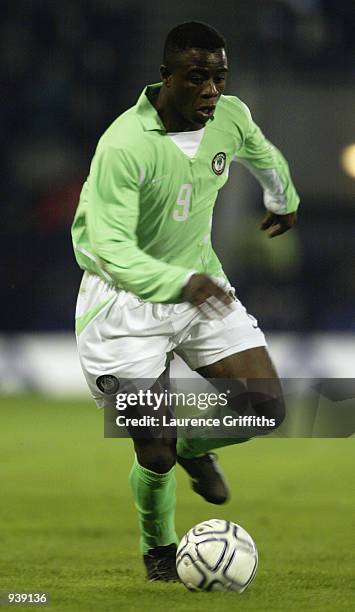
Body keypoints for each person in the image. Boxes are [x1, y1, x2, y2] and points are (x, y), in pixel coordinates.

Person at [71, 21, 299, 582]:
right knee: (153, 450)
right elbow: (111, 248)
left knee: (265, 406)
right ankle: (158, 553)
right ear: (166, 77)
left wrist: (282, 196)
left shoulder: (229, 116)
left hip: (200, 284)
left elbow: (262, 152)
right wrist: (176, 284)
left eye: (220, 77)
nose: (211, 91)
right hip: (122, 305)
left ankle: (193, 444)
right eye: (198, 78)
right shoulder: (124, 145)